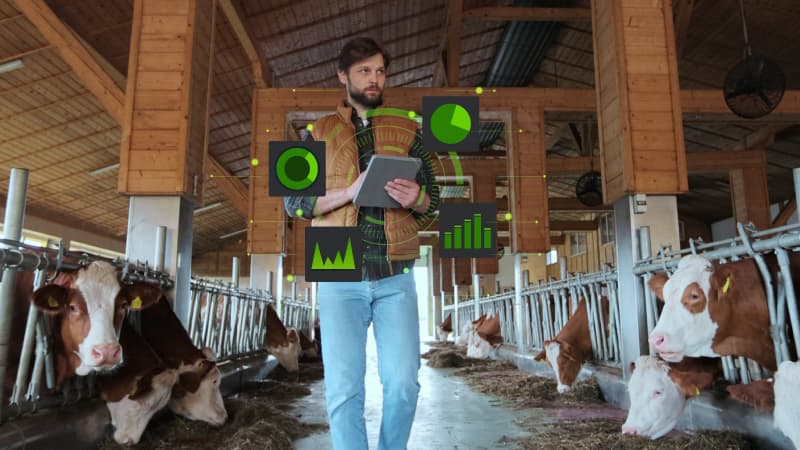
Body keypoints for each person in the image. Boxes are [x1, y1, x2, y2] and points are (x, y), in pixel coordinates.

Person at [283, 37, 440, 450]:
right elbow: (294, 203)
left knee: (405, 384)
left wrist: (417, 198)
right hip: (336, 268)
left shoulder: (408, 129)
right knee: (345, 389)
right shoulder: (316, 131)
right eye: (365, 72)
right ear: (343, 76)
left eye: (380, 71)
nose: (375, 79)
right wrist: (350, 191)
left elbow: (434, 203)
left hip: (396, 273)